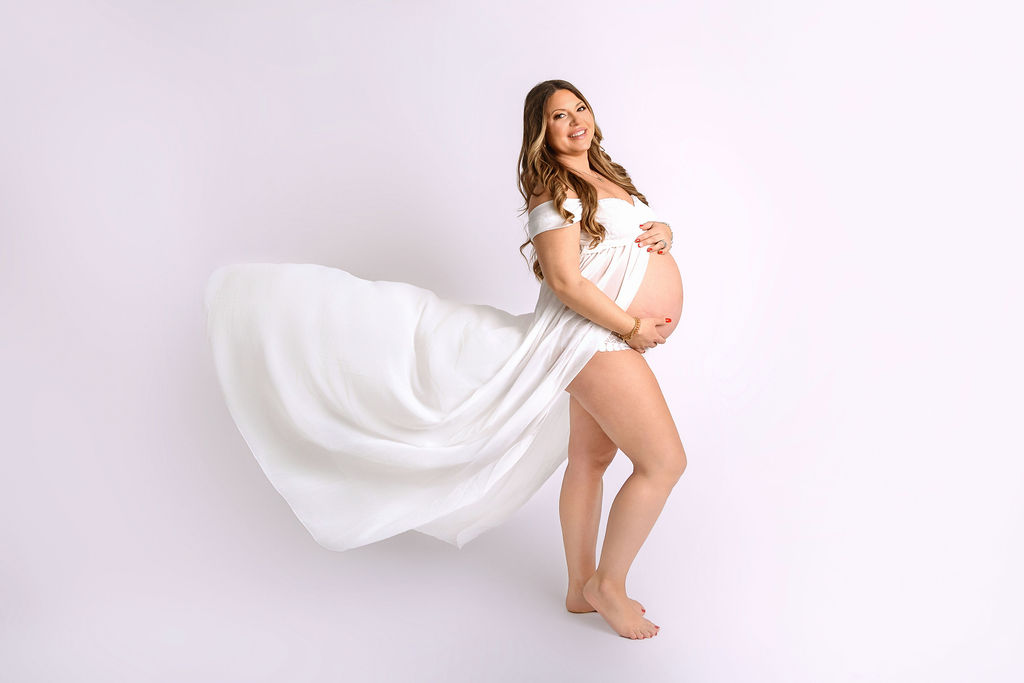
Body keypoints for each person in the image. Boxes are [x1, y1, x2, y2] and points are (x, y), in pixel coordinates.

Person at [204, 79, 686, 639]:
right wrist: (631, 325)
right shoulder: (551, 191)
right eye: (559, 116)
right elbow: (563, 279)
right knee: (663, 463)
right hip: (594, 341)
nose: (576, 120)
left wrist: (665, 231)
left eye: (580, 108)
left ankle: (581, 587)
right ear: (541, 132)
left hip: (602, 340)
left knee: (590, 462)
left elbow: (623, 239)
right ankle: (610, 585)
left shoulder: (606, 174)